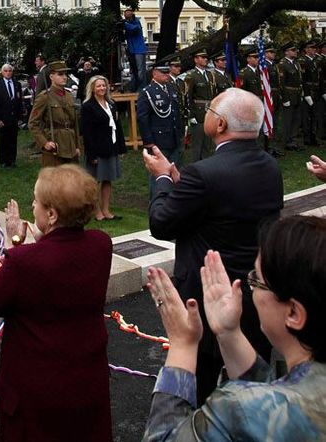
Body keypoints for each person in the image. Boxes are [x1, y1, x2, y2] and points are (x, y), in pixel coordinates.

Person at [143, 87, 283, 404]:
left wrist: (163, 179)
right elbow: (226, 209)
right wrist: (182, 184)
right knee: (252, 389)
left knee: (197, 390)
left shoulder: (204, 173)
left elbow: (162, 223)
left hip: (208, 299)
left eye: (210, 111)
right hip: (253, 296)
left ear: (220, 125)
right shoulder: (269, 166)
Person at [142, 216, 326, 441]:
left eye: (257, 279)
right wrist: (229, 334)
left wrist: (183, 344)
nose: (252, 288)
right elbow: (282, 398)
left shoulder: (236, 408)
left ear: (294, 313)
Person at [0, 165, 113, 442]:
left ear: (51, 214)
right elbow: (63, 255)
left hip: (37, 393)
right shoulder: (101, 245)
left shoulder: (24, 262)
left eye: (36, 201)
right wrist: (41, 242)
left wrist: (15, 244)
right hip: (86, 381)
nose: (32, 205)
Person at [81, 74, 126, 221]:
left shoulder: (111, 103)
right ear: (92, 88)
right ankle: (96, 211)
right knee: (95, 181)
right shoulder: (88, 106)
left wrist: (120, 147)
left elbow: (117, 126)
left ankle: (106, 210)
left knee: (108, 179)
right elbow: (87, 132)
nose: (102, 88)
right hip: (97, 148)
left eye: (104, 85)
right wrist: (92, 154)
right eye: (99, 86)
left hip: (110, 146)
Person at [137, 62, 182, 190]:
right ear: (154, 73)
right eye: (163, 73)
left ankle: (173, 201)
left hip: (173, 137)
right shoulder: (147, 92)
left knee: (175, 171)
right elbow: (142, 118)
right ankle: (157, 201)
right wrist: (148, 141)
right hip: (158, 139)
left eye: (168, 72)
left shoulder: (171, 88)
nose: (166, 75)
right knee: (158, 175)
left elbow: (175, 113)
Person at [29, 61, 81, 166]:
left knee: (73, 180)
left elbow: (75, 124)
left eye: (65, 74)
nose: (64, 77)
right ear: (51, 76)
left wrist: (78, 146)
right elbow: (33, 123)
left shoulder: (69, 95)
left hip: (71, 146)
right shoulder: (44, 97)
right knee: (55, 180)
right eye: (60, 74)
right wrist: (44, 143)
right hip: (55, 146)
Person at [184, 48, 215, 162]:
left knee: (208, 143)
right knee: (197, 144)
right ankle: (197, 169)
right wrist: (191, 115)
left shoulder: (210, 74)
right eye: (202, 57)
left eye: (206, 57)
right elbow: (188, 96)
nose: (205, 59)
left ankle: (206, 167)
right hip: (198, 113)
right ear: (196, 60)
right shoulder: (191, 76)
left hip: (209, 112)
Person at [0, 64, 23, 168]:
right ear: (2, 72)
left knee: (13, 139)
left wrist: (20, 117)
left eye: (10, 71)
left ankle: (12, 160)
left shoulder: (17, 84)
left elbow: (19, 101)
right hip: (3, 117)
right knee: (3, 139)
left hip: (14, 117)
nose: (8, 73)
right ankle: (4, 161)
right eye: (6, 71)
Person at [278, 40, 303, 150]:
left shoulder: (296, 63)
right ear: (286, 52)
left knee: (296, 119)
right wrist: (285, 98)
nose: (295, 52)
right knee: (287, 119)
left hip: (297, 94)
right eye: (293, 50)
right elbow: (281, 83)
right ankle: (286, 141)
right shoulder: (282, 64)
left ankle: (293, 140)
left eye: (295, 50)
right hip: (289, 94)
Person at [123, 8, 148, 91]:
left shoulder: (136, 22)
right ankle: (135, 87)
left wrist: (124, 24)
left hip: (139, 50)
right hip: (132, 50)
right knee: (133, 70)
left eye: (128, 15)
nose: (127, 17)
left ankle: (141, 88)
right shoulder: (127, 24)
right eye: (126, 16)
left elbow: (135, 28)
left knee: (140, 71)